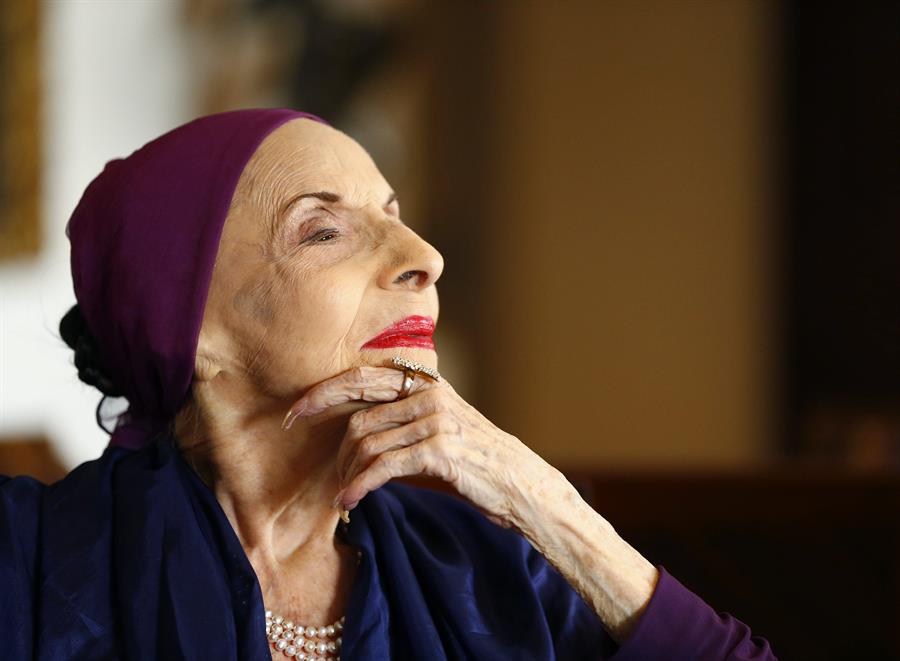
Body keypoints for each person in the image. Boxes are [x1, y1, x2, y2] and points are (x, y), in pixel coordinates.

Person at [0, 108, 777, 660]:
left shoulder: (494, 568)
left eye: (395, 215)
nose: (424, 257)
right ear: (188, 325)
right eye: (323, 231)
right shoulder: (28, 561)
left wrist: (542, 498)